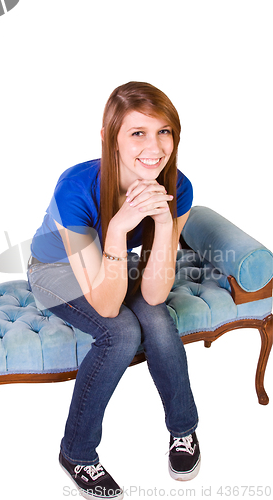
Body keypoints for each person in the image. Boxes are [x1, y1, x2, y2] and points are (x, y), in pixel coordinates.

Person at [27, 82, 200, 500]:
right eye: (137, 133)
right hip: (55, 269)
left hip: (114, 261)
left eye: (164, 131)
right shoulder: (76, 187)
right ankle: (77, 452)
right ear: (109, 138)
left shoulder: (179, 186)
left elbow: (156, 295)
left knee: (157, 320)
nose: (154, 147)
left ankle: (184, 431)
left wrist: (162, 220)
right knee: (120, 332)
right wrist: (121, 226)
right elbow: (106, 305)